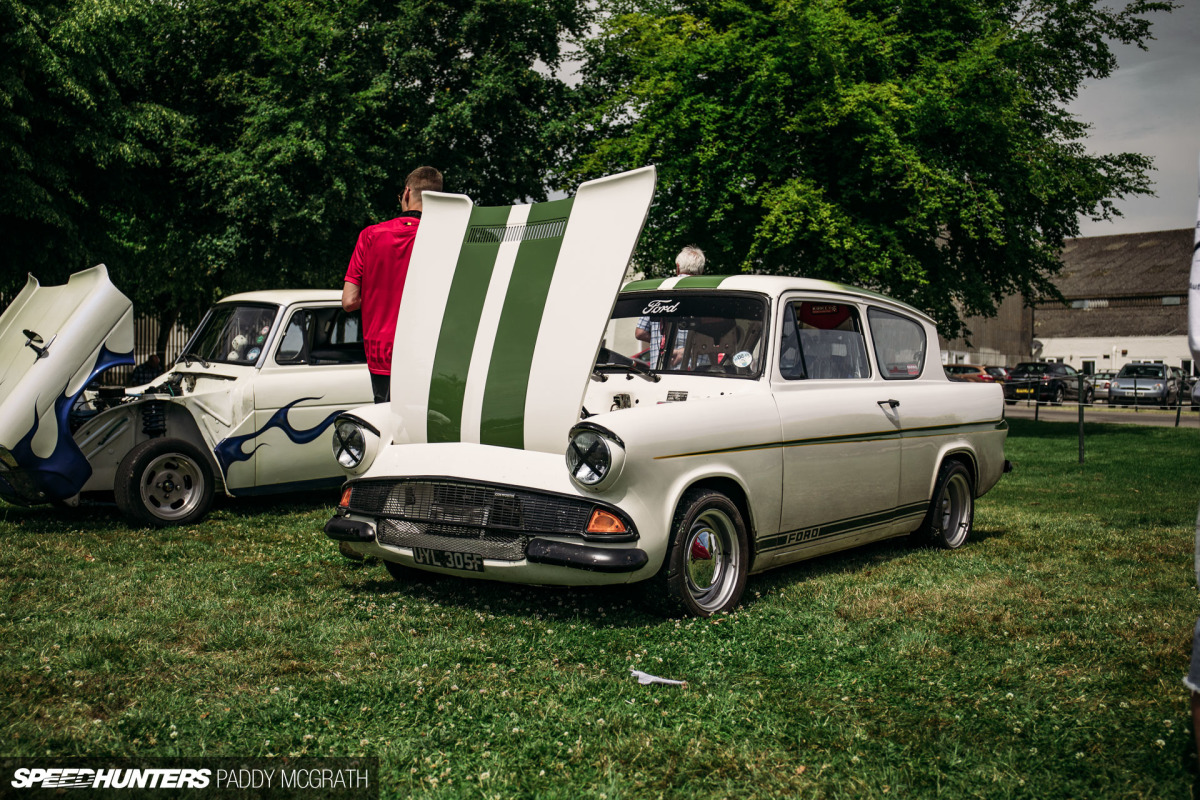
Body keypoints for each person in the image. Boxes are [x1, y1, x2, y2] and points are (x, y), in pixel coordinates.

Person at [343, 166, 443, 403]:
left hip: (382, 355)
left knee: (388, 428)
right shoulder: (447, 237)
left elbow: (349, 302)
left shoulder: (370, 236)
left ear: (406, 193)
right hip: (430, 357)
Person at [635, 246, 706, 367]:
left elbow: (640, 332)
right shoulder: (707, 295)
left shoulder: (658, 292)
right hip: (696, 370)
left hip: (661, 369)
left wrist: (664, 345)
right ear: (701, 270)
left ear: (678, 267)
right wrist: (687, 350)